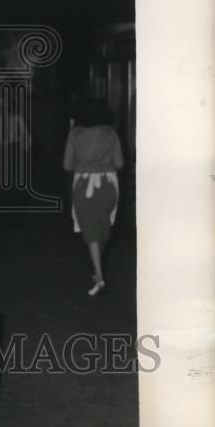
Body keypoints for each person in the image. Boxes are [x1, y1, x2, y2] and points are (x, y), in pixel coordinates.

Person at [62, 99, 124, 296]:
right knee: (102, 229)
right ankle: (98, 271)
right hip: (108, 185)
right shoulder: (110, 133)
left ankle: (99, 276)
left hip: (84, 185)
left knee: (91, 232)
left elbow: (67, 166)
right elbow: (120, 163)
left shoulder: (75, 134)